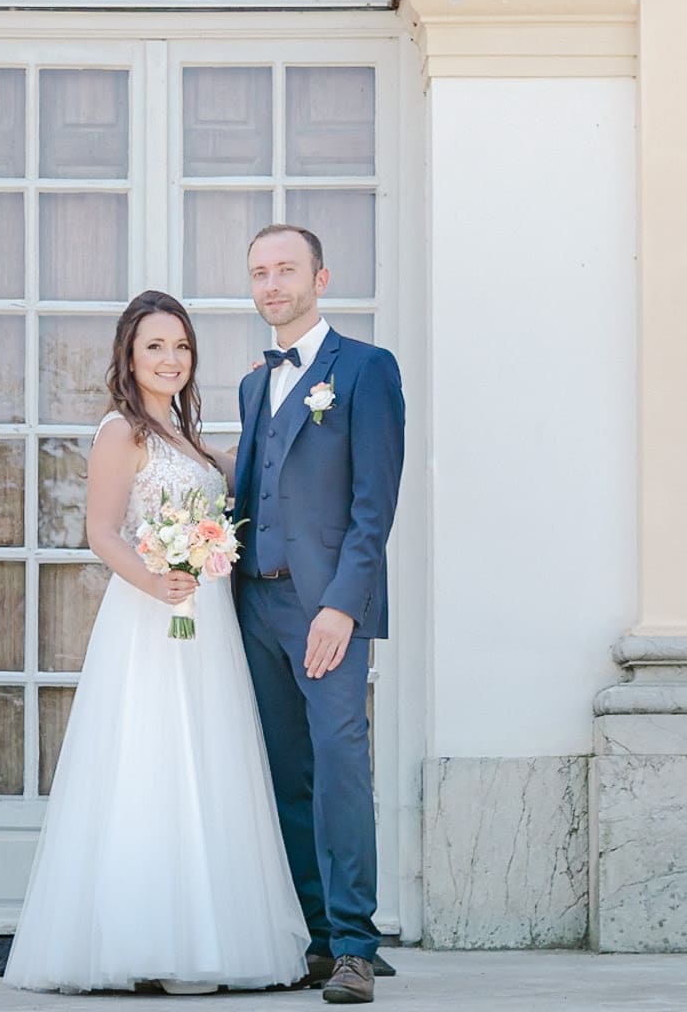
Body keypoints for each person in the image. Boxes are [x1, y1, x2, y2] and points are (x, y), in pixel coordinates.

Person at [4, 289, 308, 996]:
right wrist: (155, 580)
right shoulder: (123, 431)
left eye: (181, 347)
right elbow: (101, 531)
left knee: (207, 761)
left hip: (207, 622)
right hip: (150, 616)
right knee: (151, 760)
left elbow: (255, 475)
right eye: (155, 347)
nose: (171, 359)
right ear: (129, 357)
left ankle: (207, 938)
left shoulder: (188, 437)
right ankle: (145, 939)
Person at [234, 226, 406, 1005]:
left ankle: (355, 947)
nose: (272, 284)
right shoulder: (249, 385)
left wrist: (342, 605)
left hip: (327, 606)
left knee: (341, 770)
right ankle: (312, 936)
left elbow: (374, 506)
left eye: (286, 270)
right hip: (255, 601)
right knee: (286, 771)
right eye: (260, 272)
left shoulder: (366, 370)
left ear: (321, 277)